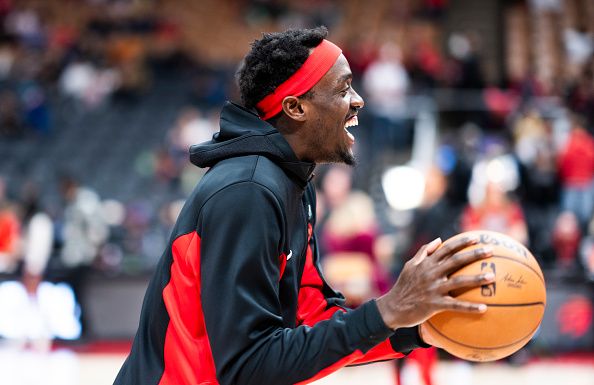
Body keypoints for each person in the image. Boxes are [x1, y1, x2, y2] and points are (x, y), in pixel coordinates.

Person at [114, 27, 494, 385]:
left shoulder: (290, 184)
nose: (358, 99)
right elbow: (248, 366)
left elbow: (312, 316)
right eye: (344, 87)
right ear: (296, 107)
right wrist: (389, 310)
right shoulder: (248, 190)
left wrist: (418, 325)